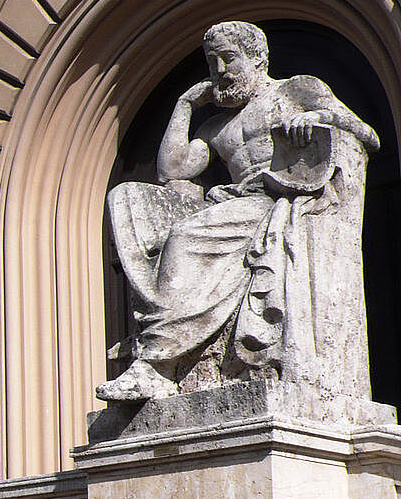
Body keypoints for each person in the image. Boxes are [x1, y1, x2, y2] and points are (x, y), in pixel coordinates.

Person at [97, 20, 379, 402]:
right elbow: (172, 170)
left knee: (185, 236)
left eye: (229, 59)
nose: (221, 71)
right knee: (135, 203)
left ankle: (157, 363)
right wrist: (184, 106)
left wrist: (317, 119)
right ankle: (161, 356)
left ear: (258, 58)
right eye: (213, 64)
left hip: (278, 195)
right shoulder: (216, 126)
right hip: (236, 203)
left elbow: (365, 133)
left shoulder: (296, 90)